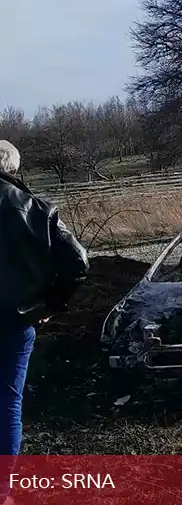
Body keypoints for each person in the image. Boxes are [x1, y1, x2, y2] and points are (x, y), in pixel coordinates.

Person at [0, 139, 89, 502]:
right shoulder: (36, 209)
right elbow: (79, 261)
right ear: (14, 169)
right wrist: (51, 303)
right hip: (16, 321)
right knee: (7, 403)